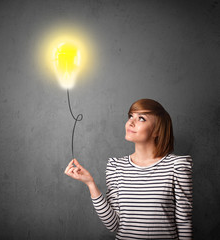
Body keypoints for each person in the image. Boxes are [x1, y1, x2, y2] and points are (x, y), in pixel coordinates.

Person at [64, 99, 193, 239]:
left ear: (157, 130)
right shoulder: (116, 167)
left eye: (141, 118)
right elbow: (113, 225)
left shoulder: (177, 166)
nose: (131, 122)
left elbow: (184, 222)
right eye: (131, 116)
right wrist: (90, 183)